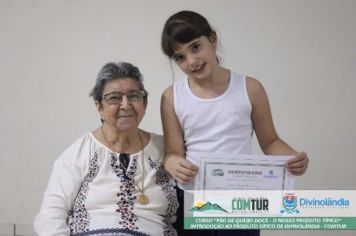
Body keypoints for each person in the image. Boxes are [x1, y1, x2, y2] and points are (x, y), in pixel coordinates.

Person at [160, 10, 309, 236]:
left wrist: (292, 157)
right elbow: (173, 151)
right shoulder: (172, 97)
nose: (191, 61)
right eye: (179, 57)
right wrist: (171, 162)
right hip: (193, 197)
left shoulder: (250, 88)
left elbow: (270, 141)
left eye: (195, 47)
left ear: (212, 39)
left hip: (241, 199)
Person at [34, 62, 178, 236]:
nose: (125, 105)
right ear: (99, 107)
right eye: (114, 98)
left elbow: (199, 205)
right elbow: (50, 216)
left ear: (145, 104)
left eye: (133, 96)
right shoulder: (79, 153)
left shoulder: (166, 150)